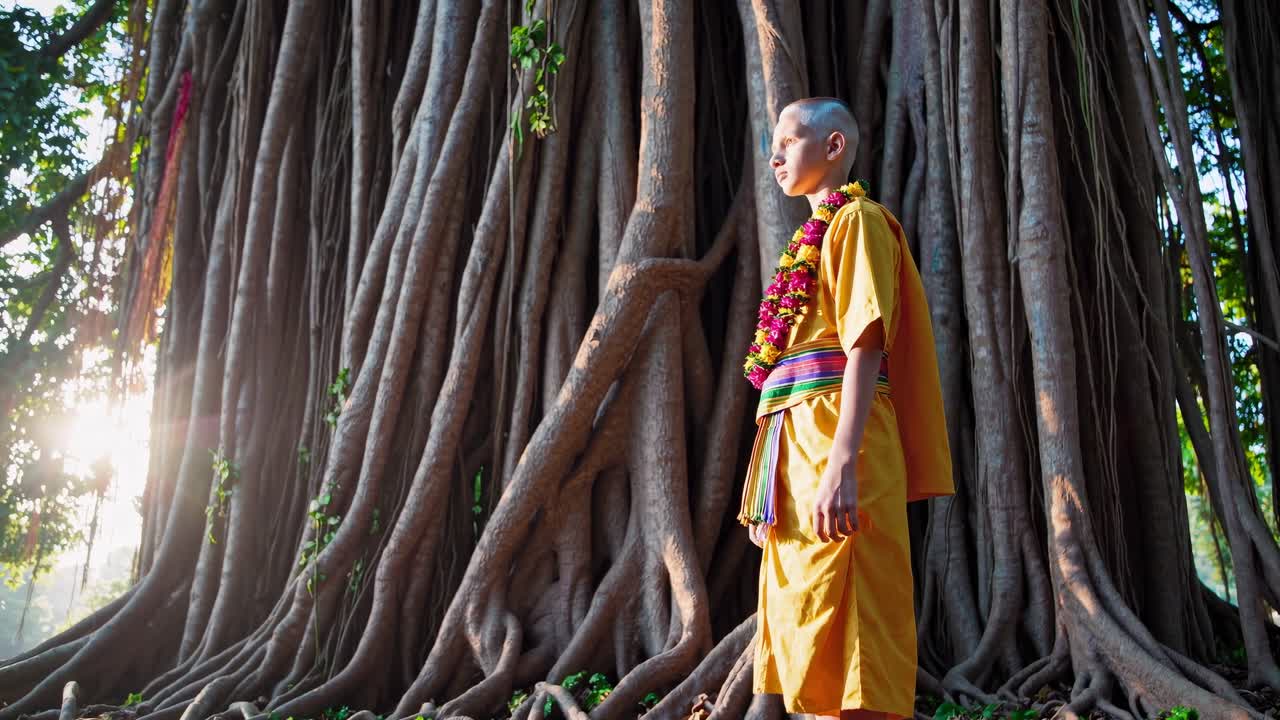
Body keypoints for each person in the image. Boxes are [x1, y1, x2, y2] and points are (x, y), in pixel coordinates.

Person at [738, 97, 955, 720]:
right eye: (773, 144)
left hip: (840, 440)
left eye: (790, 140)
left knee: (856, 609)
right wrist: (765, 486)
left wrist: (843, 462)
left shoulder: (858, 220)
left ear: (834, 147)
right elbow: (787, 377)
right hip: (794, 451)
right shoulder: (807, 242)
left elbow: (865, 343)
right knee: (798, 614)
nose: (775, 156)